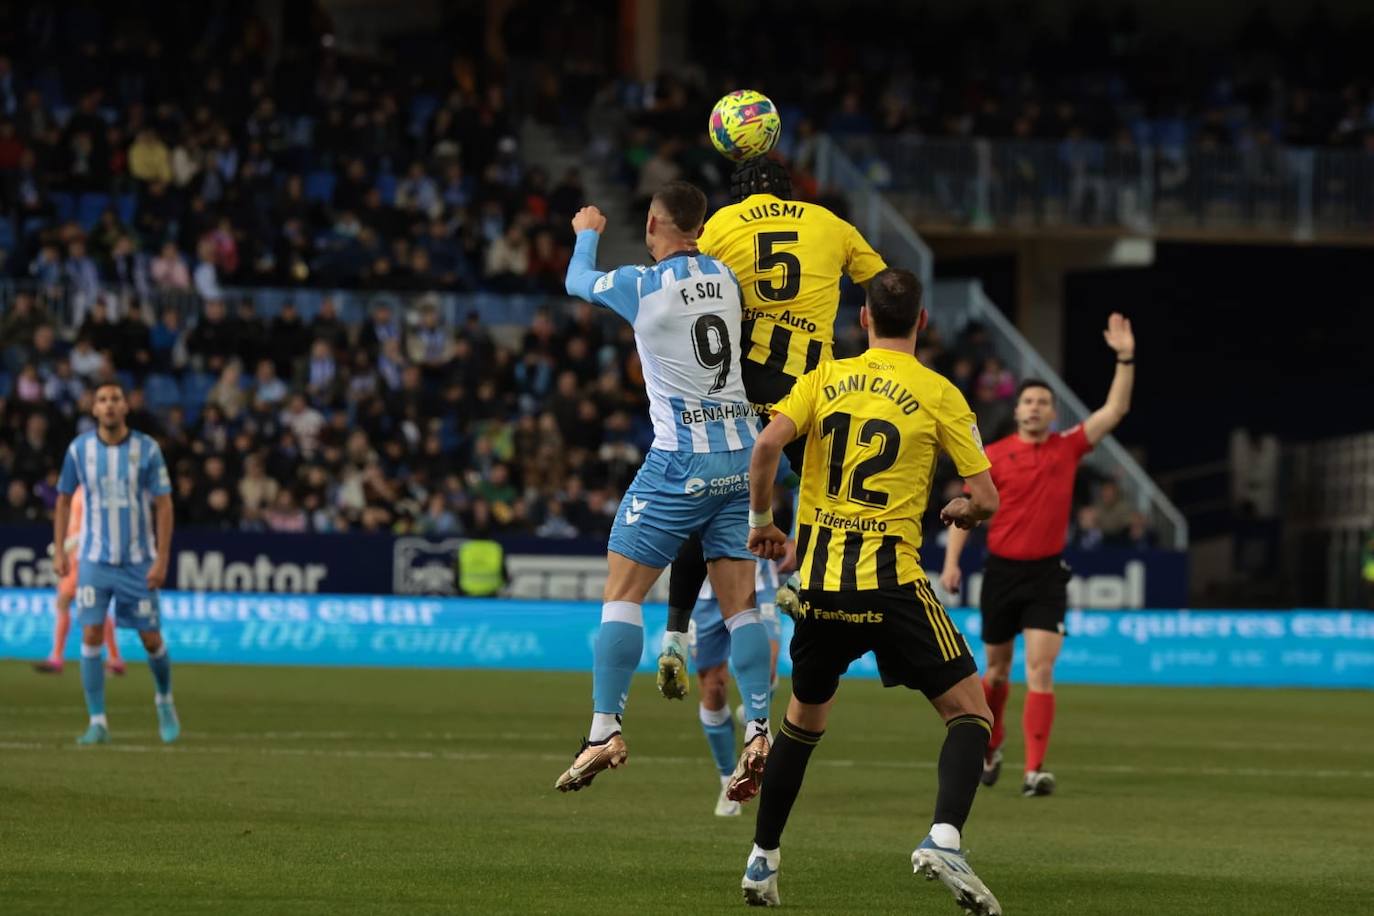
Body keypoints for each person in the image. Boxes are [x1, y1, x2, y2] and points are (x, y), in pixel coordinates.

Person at [741, 268, 1002, 915]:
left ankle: (762, 862)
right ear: (920, 322)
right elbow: (988, 498)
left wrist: (763, 523)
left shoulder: (823, 378)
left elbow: (769, 441)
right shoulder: (940, 393)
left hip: (822, 589)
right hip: (891, 586)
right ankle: (944, 837)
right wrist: (962, 511)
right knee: (972, 715)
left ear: (862, 318)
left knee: (801, 725)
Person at [553, 182, 773, 801]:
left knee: (621, 591)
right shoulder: (727, 278)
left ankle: (604, 729)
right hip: (742, 456)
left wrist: (587, 231)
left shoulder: (640, 284)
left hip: (681, 462)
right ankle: (758, 727)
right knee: (742, 606)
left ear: (652, 225)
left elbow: (576, 281)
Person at [657, 156, 888, 701]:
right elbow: (883, 288)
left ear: (739, 191)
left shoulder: (724, 224)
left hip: (741, 382)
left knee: (712, 504)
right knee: (825, 485)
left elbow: (687, 284)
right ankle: (801, 580)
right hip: (812, 383)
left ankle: (674, 632)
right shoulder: (831, 224)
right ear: (794, 190)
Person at [940, 313, 1136, 797]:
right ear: (1018, 407)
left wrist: (1125, 357)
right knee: (998, 672)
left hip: (1047, 575)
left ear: (1053, 413)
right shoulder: (995, 456)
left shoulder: (1067, 448)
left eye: (1043, 402)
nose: (1035, 407)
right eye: (1028, 400)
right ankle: (993, 743)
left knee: (1042, 668)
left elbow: (1113, 411)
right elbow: (968, 510)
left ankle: (1035, 770)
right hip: (1002, 573)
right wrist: (950, 564)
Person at [53, 381, 179, 746]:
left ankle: (164, 700)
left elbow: (164, 504)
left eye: (115, 399)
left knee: (151, 638)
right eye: (102, 400)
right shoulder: (79, 450)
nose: (109, 405)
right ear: (94, 409)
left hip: (139, 562)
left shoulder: (147, 449)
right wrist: (62, 550)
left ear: (126, 407)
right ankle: (98, 722)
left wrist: (162, 559)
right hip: (93, 560)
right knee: (91, 633)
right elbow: (63, 500)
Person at [689, 557, 784, 817]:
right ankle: (727, 778)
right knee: (713, 687)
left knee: (768, 666)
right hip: (706, 591)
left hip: (758, 578)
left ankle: (753, 717)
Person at [33, 484, 126, 676]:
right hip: (76, 556)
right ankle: (114, 658)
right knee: (87, 605)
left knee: (73, 603)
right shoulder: (79, 491)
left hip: (84, 558)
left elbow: (95, 527)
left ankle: (58, 658)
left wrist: (69, 543)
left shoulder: (92, 492)